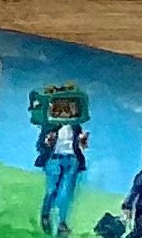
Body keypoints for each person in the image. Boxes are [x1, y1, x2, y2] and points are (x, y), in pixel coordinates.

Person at [34, 97, 92, 233]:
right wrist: (47, 142)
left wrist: (83, 141)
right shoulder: (49, 126)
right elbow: (40, 145)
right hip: (54, 159)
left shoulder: (76, 127)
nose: (67, 113)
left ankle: (62, 223)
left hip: (72, 160)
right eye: (65, 110)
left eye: (70, 109)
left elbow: (82, 146)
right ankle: (45, 215)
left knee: (66, 192)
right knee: (51, 190)